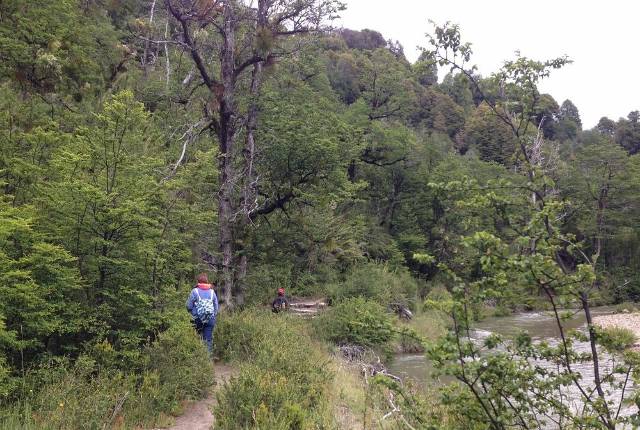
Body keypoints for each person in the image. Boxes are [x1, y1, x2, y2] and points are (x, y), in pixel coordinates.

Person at [186, 273, 219, 354]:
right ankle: (207, 358)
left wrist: (192, 312)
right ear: (207, 281)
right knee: (208, 339)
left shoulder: (195, 291)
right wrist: (212, 315)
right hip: (210, 319)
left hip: (197, 319)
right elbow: (216, 306)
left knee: (195, 337)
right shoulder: (212, 292)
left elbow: (188, 306)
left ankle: (196, 356)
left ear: (198, 281)